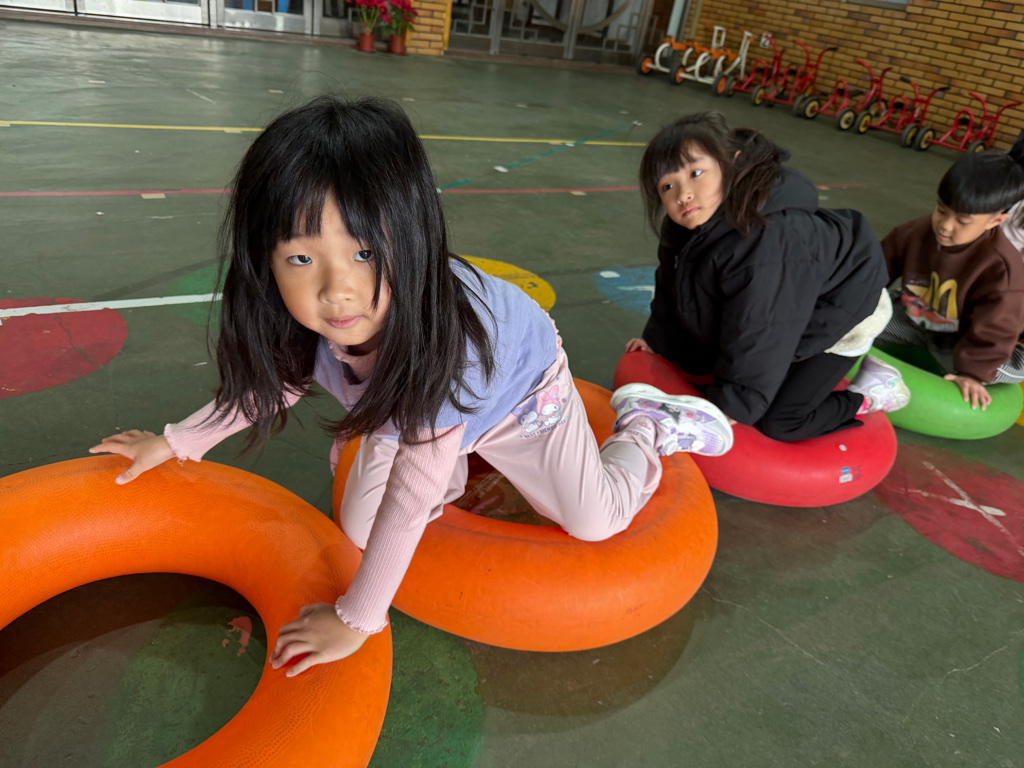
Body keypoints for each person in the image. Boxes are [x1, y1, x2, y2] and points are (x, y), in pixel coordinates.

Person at [89, 96, 733, 676]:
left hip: (518, 390)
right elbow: (272, 387)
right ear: (266, 261)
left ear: (413, 238)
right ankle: (449, 444)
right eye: (301, 258)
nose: (337, 290)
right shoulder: (309, 319)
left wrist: (356, 620)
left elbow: (412, 491)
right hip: (420, 404)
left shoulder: (452, 351)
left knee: (595, 520)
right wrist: (177, 442)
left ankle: (646, 426)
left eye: (365, 252)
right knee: (359, 525)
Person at [627, 111, 908, 443]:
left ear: (732, 162)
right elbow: (670, 284)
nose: (683, 194)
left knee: (781, 421)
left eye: (696, 173)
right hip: (792, 300)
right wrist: (658, 341)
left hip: (844, 306)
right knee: (710, 361)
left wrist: (730, 407)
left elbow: (764, 327)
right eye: (667, 186)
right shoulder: (685, 225)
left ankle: (872, 394)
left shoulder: (770, 241)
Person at [876, 149, 1024, 411]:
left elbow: (996, 330)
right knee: (859, 325)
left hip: (971, 339)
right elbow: (874, 273)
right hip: (921, 319)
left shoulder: (1001, 269)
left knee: (997, 367)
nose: (945, 225)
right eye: (941, 210)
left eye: (962, 221)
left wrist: (972, 374)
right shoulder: (913, 233)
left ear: (996, 220)